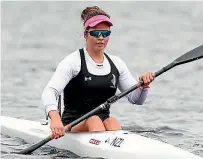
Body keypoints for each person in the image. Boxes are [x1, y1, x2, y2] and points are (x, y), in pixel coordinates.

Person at [41, 6, 154, 139]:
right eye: (95, 33)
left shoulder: (116, 63)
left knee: (113, 121)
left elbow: (137, 99)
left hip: (103, 123)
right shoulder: (73, 62)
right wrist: (55, 119)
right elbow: (49, 92)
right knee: (93, 120)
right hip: (72, 125)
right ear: (85, 35)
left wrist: (143, 86)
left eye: (105, 33)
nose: (101, 37)